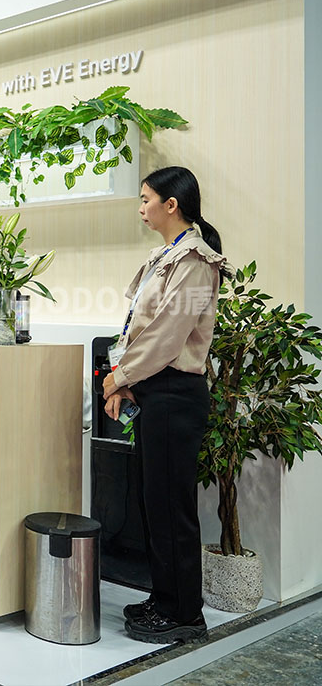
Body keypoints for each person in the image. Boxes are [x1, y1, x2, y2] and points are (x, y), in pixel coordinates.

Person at [102, 166, 227, 645]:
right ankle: (163, 598)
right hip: (155, 388)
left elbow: (169, 335)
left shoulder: (197, 261)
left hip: (176, 393)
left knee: (172, 507)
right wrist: (127, 381)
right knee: (154, 502)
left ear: (170, 205)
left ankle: (184, 613)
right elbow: (138, 326)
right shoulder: (166, 255)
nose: (141, 208)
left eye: (145, 199)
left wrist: (119, 377)